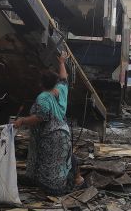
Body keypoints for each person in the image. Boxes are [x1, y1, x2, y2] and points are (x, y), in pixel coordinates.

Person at [14, 51, 84, 195]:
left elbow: (40, 117)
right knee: (64, 159)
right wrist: (61, 62)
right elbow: (64, 78)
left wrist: (22, 121)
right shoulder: (61, 90)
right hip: (63, 132)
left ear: (41, 84)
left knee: (50, 166)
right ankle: (76, 180)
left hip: (51, 136)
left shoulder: (43, 98)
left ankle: (56, 188)